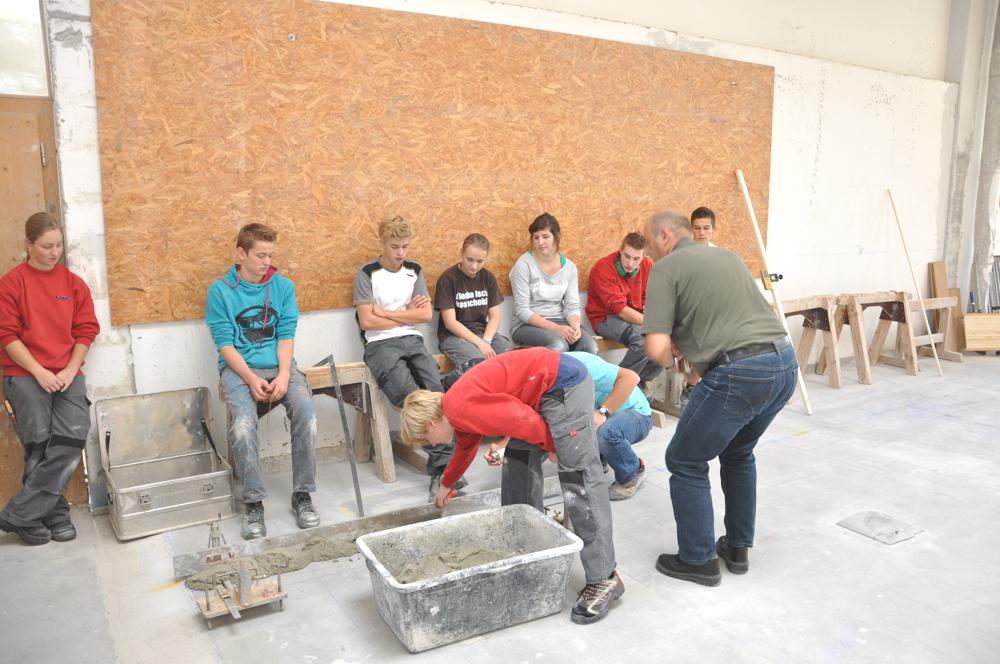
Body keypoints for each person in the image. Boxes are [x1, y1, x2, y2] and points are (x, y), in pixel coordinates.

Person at [399, 348, 623, 624]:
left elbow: (520, 419)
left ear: (432, 423)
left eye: (426, 439)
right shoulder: (456, 410)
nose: (432, 444)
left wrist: (553, 446)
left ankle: (604, 578)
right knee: (517, 459)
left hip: (563, 384)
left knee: (578, 477)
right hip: (541, 389)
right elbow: (466, 447)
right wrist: (446, 484)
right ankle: (528, 549)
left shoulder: (459, 406)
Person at [641, 210, 797, 586]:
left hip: (739, 374)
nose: (648, 252)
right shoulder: (727, 256)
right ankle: (737, 548)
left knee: (685, 459)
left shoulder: (665, 269)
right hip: (784, 363)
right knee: (738, 452)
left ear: (665, 235)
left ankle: (698, 560)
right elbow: (725, 315)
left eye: (648, 243)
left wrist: (672, 360)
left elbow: (655, 348)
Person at [206, 223, 319, 540]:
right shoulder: (220, 292)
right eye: (260, 255)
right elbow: (225, 344)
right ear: (241, 254)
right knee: (243, 426)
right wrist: (251, 378)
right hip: (239, 369)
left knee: (306, 414)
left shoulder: (283, 287)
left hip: (280, 366)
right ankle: (253, 502)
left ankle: (303, 495)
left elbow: (286, 334)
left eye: (270, 255)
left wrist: (284, 374)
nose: (267, 262)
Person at [0, 212, 99, 545]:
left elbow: (86, 330)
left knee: (71, 439)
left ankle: (18, 515)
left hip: (67, 372)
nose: (54, 252)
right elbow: (6, 335)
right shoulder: (11, 284)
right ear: (28, 244)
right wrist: (39, 372)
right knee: (39, 446)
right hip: (25, 374)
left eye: (58, 245)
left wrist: (70, 370)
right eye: (46, 246)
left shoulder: (73, 284)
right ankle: (54, 515)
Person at [354, 215, 461, 497]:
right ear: (383, 243)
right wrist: (406, 314)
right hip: (379, 344)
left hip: (413, 340)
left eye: (405, 246)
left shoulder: (414, 270)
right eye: (394, 247)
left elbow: (425, 316)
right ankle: (444, 470)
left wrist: (386, 313)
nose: (400, 253)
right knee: (411, 397)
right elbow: (367, 321)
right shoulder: (367, 273)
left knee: (438, 395)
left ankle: (444, 469)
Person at [565, 351, 652, 500]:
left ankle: (632, 474)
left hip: (636, 414)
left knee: (606, 433)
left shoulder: (580, 365)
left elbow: (631, 378)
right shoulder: (552, 372)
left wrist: (602, 412)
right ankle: (602, 457)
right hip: (603, 414)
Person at [509, 213, 598, 354]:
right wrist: (556, 329)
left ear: (556, 236)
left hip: (561, 320)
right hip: (526, 326)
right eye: (536, 237)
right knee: (559, 345)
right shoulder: (523, 265)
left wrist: (575, 326)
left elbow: (572, 306)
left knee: (590, 347)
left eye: (545, 237)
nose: (540, 242)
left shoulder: (570, 267)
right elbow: (522, 310)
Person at [585, 231, 661, 385]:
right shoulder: (603, 268)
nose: (630, 263)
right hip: (605, 318)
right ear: (620, 250)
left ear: (644, 256)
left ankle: (638, 384)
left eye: (636, 259)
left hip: (635, 318)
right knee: (643, 342)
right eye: (627, 256)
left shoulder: (647, 266)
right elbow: (621, 310)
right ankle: (615, 386)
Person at [434, 233, 512, 370]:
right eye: (470, 259)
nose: (474, 266)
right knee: (478, 365)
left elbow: (495, 317)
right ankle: (451, 382)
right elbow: (450, 323)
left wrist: (486, 341)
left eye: (480, 261)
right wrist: (480, 344)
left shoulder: (488, 278)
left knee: (512, 358)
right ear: (461, 253)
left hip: (483, 333)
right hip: (454, 336)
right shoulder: (448, 279)